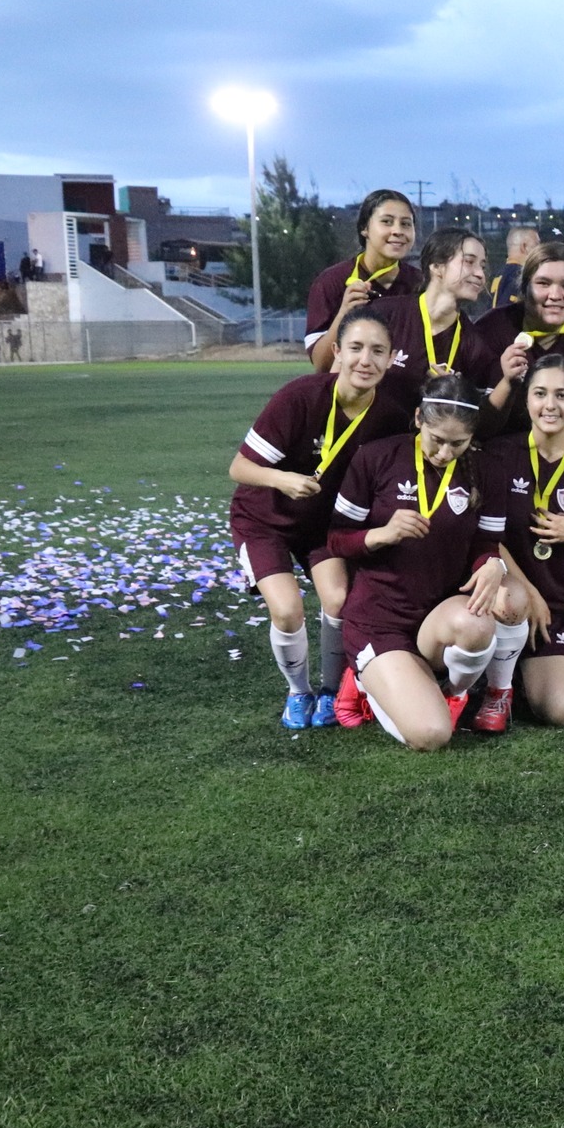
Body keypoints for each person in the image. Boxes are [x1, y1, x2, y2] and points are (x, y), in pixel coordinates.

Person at [227, 307, 399, 728]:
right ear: (337, 351)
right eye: (356, 348)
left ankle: (328, 690)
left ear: (392, 359)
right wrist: (282, 479)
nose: (366, 360)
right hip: (264, 519)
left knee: (338, 600)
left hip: (322, 526)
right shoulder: (300, 397)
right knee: (287, 610)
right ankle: (298, 691)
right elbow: (239, 468)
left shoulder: (391, 413)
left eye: (378, 351)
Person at [326, 374, 510, 749]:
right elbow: (335, 539)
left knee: (477, 624)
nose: (444, 453)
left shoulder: (484, 470)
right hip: (380, 620)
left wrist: (492, 564)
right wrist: (379, 535)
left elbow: (486, 542)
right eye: (437, 440)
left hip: (435, 618)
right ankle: (363, 680)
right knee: (431, 736)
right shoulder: (376, 458)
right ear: (418, 420)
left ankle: (452, 694)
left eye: (458, 443)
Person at [475, 353, 564, 730]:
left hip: (556, 608)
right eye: (540, 393)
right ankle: (490, 684)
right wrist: (530, 592)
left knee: (560, 711)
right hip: (508, 595)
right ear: (526, 400)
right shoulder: (500, 455)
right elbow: (487, 538)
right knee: (511, 603)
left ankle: (519, 676)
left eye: (561, 395)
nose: (550, 405)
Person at [368, 227, 517, 422]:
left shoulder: (475, 345)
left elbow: (476, 420)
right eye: (469, 262)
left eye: (482, 265)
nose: (480, 274)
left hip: (431, 449)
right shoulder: (384, 315)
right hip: (369, 439)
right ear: (436, 266)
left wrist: (452, 393)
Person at [469, 240, 564, 439]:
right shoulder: (490, 330)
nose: (555, 295)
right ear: (524, 288)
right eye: (543, 283)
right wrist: (508, 384)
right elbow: (472, 426)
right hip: (495, 451)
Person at [305, 189, 419, 369]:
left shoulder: (420, 284)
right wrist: (345, 313)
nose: (398, 231)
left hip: (405, 396)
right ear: (364, 228)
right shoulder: (331, 282)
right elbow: (321, 365)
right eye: (387, 222)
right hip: (353, 394)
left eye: (406, 224)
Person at [487, 224, 541, 310]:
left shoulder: (499, 273)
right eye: (537, 245)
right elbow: (506, 313)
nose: (540, 250)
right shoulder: (519, 276)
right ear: (524, 247)